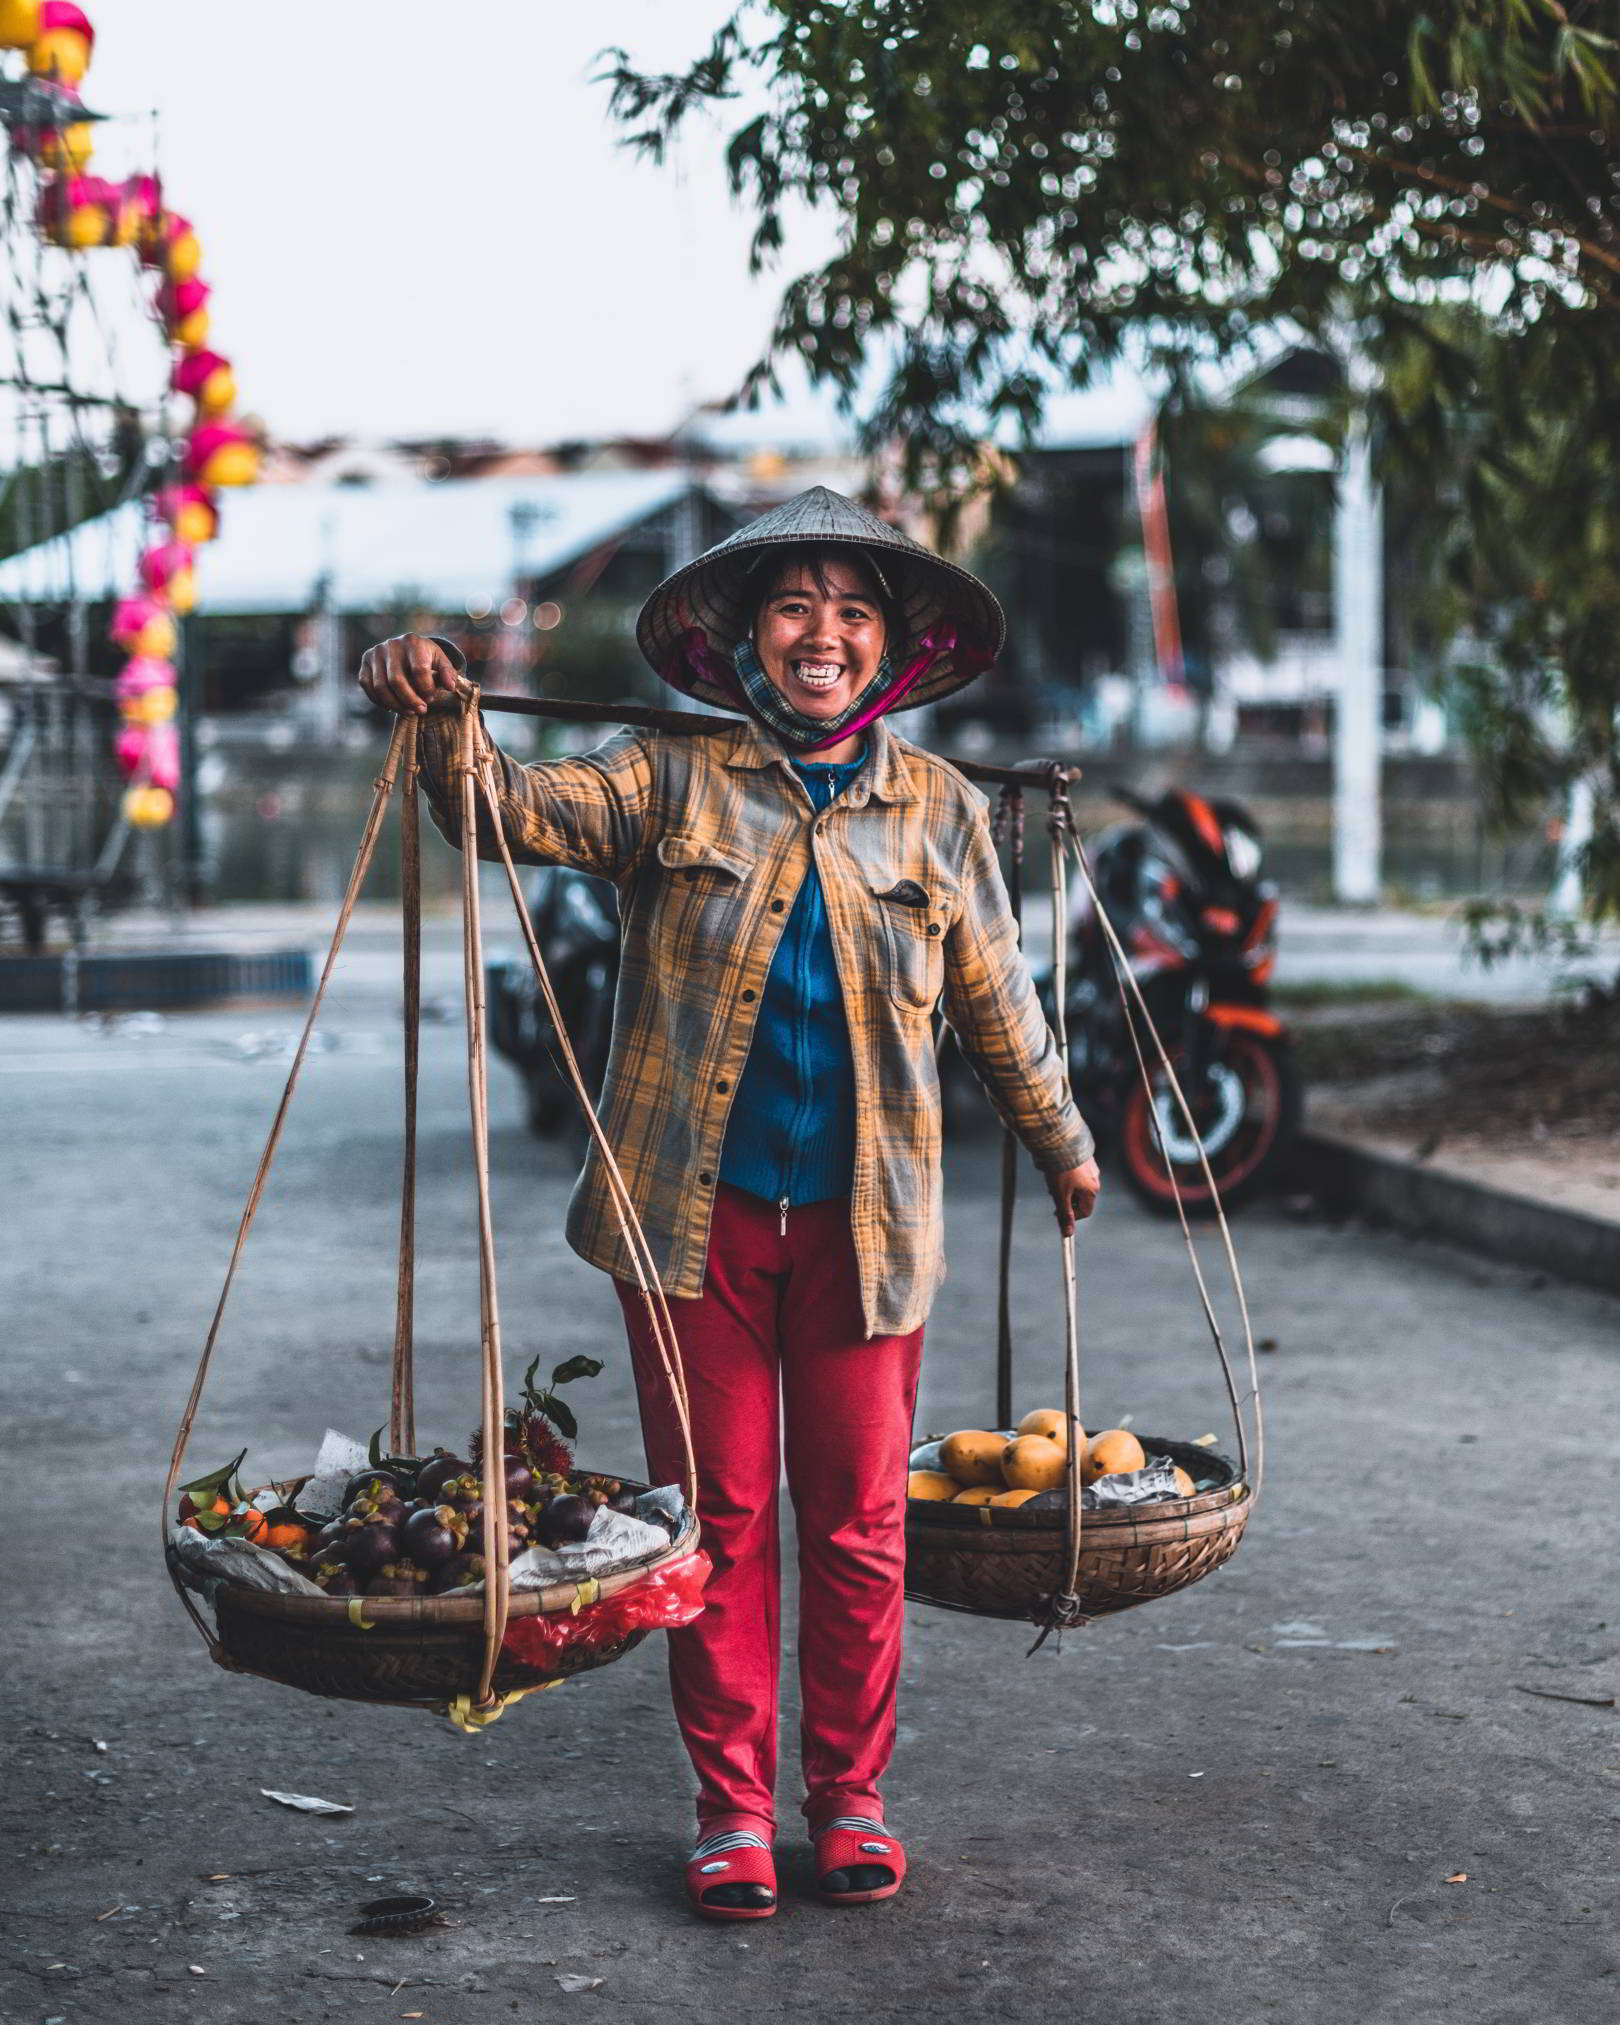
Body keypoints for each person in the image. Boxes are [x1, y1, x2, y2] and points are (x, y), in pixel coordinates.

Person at [358, 486, 1099, 1920]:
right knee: (721, 1524)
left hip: (870, 1229)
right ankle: (735, 1810)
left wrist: (1063, 1139)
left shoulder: (938, 812)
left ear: (889, 649)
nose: (823, 632)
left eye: (854, 609)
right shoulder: (665, 779)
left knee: (861, 1524)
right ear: (745, 635)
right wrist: (441, 713)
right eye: (793, 604)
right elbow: (508, 811)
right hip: (683, 1225)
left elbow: (1000, 1002)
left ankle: (852, 1798)